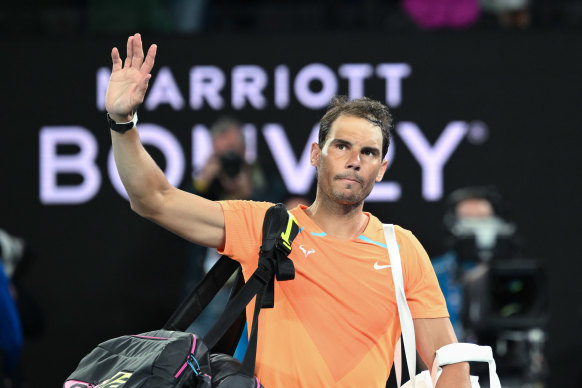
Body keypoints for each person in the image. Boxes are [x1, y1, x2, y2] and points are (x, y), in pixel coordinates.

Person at [104, 33, 471, 387]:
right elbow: (154, 198)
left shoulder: (401, 249)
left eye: (369, 152)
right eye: (341, 146)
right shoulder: (265, 226)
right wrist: (122, 124)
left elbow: (449, 359)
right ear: (315, 154)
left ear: (381, 169)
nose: (355, 161)